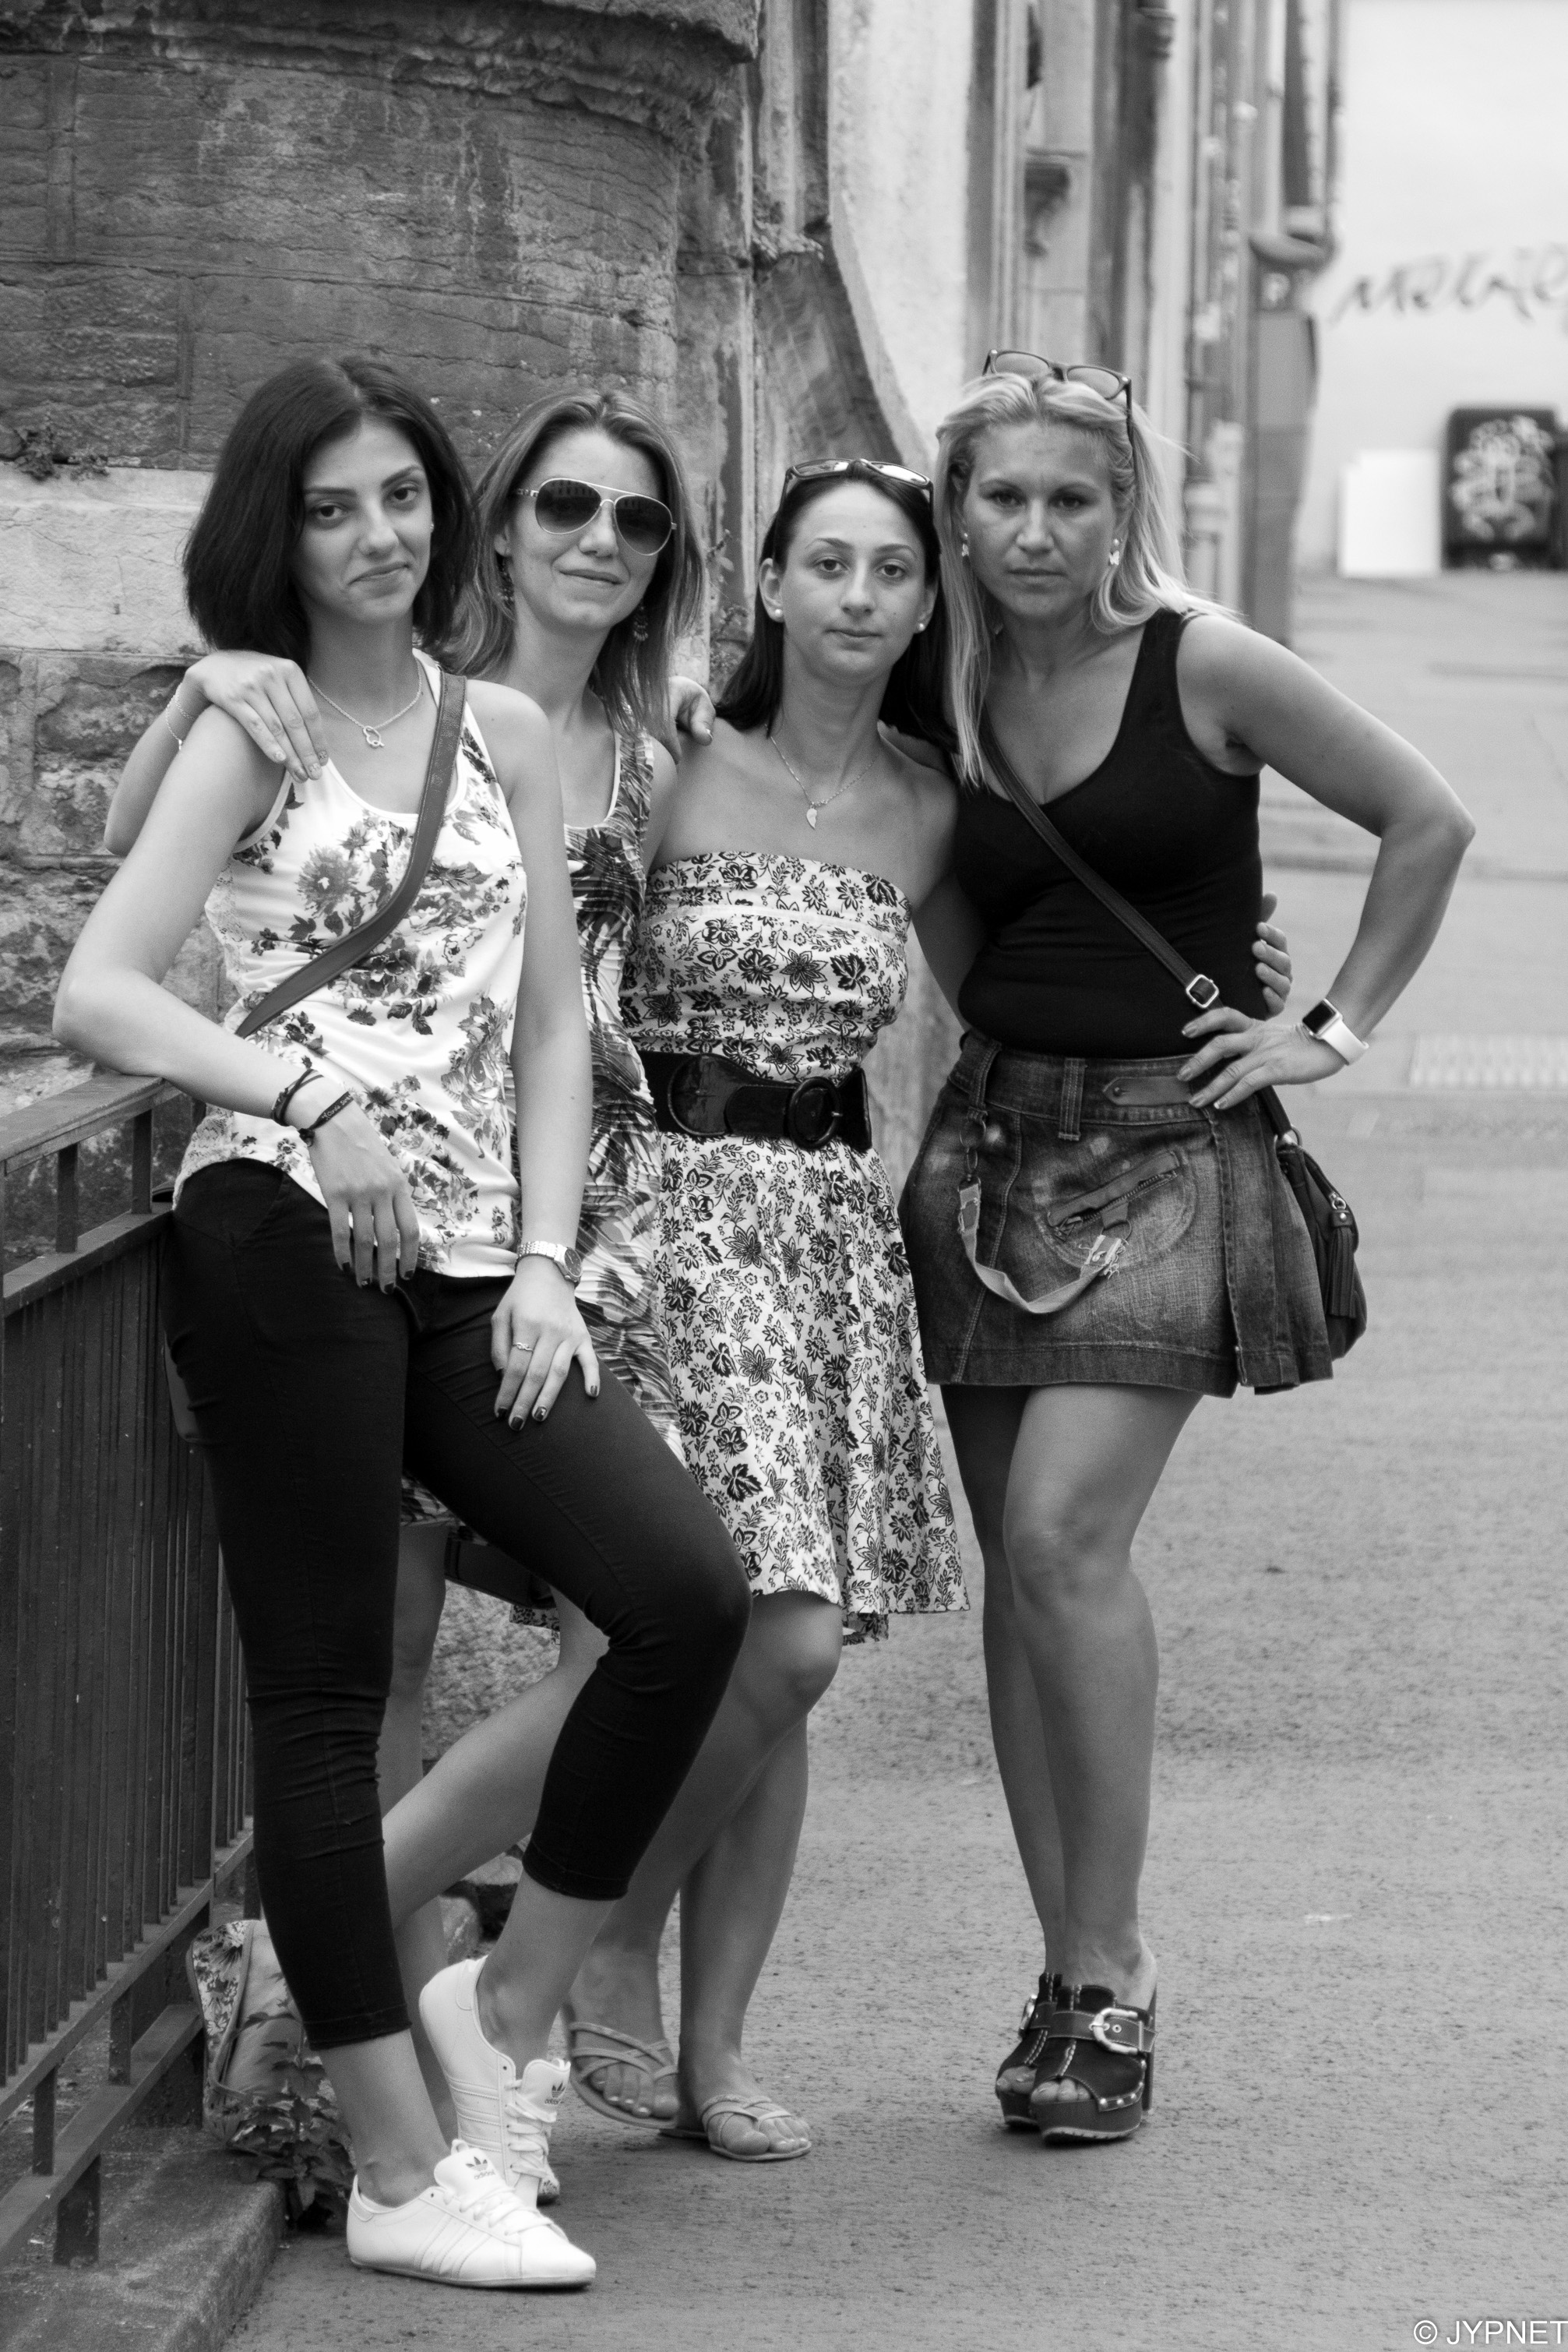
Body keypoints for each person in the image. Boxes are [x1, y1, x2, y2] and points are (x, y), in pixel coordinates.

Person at [57, 353, 750, 2284]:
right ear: (274, 534)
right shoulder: (255, 724)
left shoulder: (502, 726)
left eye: (400, 497)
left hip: (464, 1257)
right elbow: (103, 987)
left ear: (443, 512)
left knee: (682, 1594)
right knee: (323, 1692)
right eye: (329, 506)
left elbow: (549, 1023)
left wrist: (542, 1258)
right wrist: (306, 1098)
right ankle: (390, 2162)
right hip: (284, 1221)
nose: (374, 535)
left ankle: (489, 2010)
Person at [897, 357, 1474, 2142]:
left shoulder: (1200, 664)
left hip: (1168, 1137)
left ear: (1118, 509)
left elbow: (1427, 819)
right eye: (1001, 496)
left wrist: (1325, 1028)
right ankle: (1060, 1967)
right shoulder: (933, 670)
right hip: (991, 1143)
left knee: (1063, 1538)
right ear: (954, 509)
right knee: (1018, 1577)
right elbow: (927, 878)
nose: (1032, 530)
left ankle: (1115, 1974)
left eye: (1069, 498)